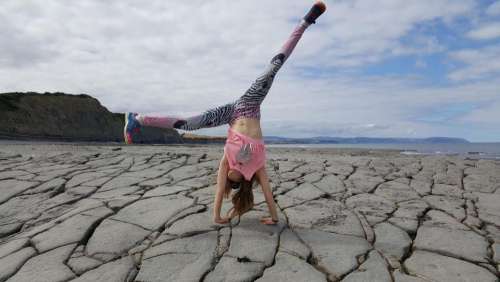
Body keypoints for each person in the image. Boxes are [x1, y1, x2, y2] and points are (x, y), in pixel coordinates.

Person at [124, 1, 327, 225]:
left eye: (228, 176)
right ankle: (305, 22)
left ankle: (137, 118)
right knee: (273, 68)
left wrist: (217, 216)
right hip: (250, 106)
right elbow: (268, 193)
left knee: (188, 124)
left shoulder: (227, 162)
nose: (229, 172)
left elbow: (220, 190)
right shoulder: (256, 168)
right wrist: (274, 217)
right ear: (240, 181)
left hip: (230, 114)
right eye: (232, 176)